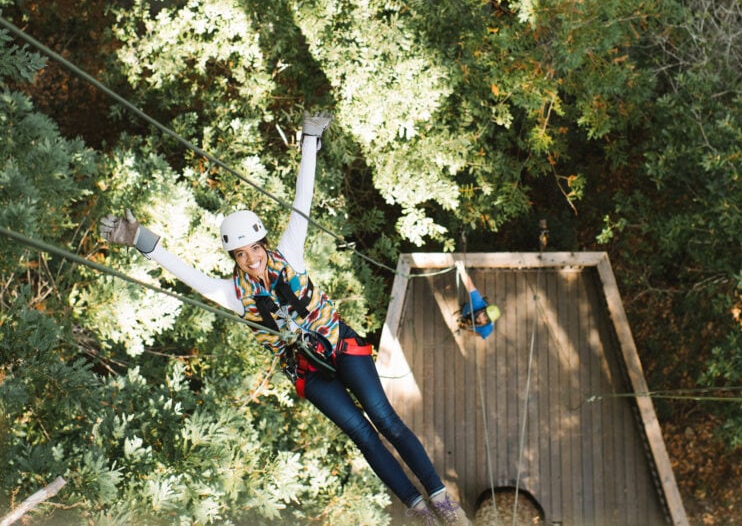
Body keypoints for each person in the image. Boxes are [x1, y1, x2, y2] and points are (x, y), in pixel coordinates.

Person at [99, 113, 470, 526]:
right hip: (308, 372)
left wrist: (309, 139)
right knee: (362, 435)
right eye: (240, 255)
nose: (251, 259)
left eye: (254, 249)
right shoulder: (231, 293)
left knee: (384, 419)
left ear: (263, 243)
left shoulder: (289, 250)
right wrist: (140, 241)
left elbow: (302, 198)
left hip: (339, 345)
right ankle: (418, 508)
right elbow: (188, 274)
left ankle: (442, 502)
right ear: (234, 259)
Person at [455, 261, 500, 339]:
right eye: (484, 314)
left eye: (486, 319)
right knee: (462, 317)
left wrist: (472, 333)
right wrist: (462, 271)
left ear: (489, 323)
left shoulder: (487, 330)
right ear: (483, 310)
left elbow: (482, 335)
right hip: (466, 310)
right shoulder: (477, 303)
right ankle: (461, 317)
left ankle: (461, 324)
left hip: (469, 323)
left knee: (462, 324)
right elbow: (470, 286)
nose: (481, 318)